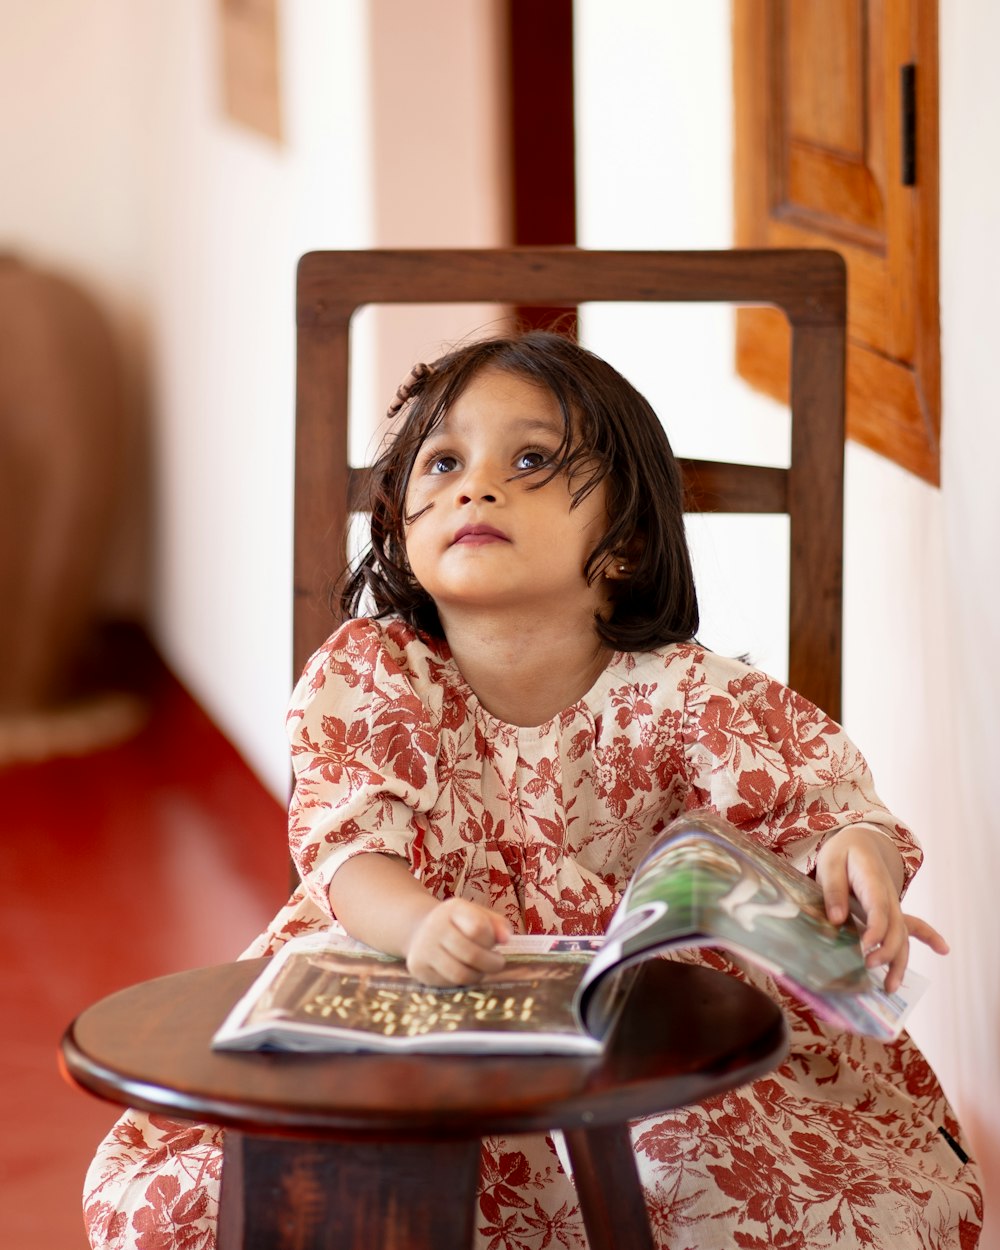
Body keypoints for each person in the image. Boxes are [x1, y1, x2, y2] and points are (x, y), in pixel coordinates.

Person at [83, 331, 983, 1249]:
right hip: (406, 985)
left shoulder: (684, 690)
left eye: (531, 459)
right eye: (443, 461)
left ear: (626, 541)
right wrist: (418, 925)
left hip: (625, 1021)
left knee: (710, 1181)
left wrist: (856, 855)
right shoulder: (375, 673)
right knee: (269, 1193)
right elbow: (350, 855)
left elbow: (817, 803)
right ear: (400, 523)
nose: (476, 485)